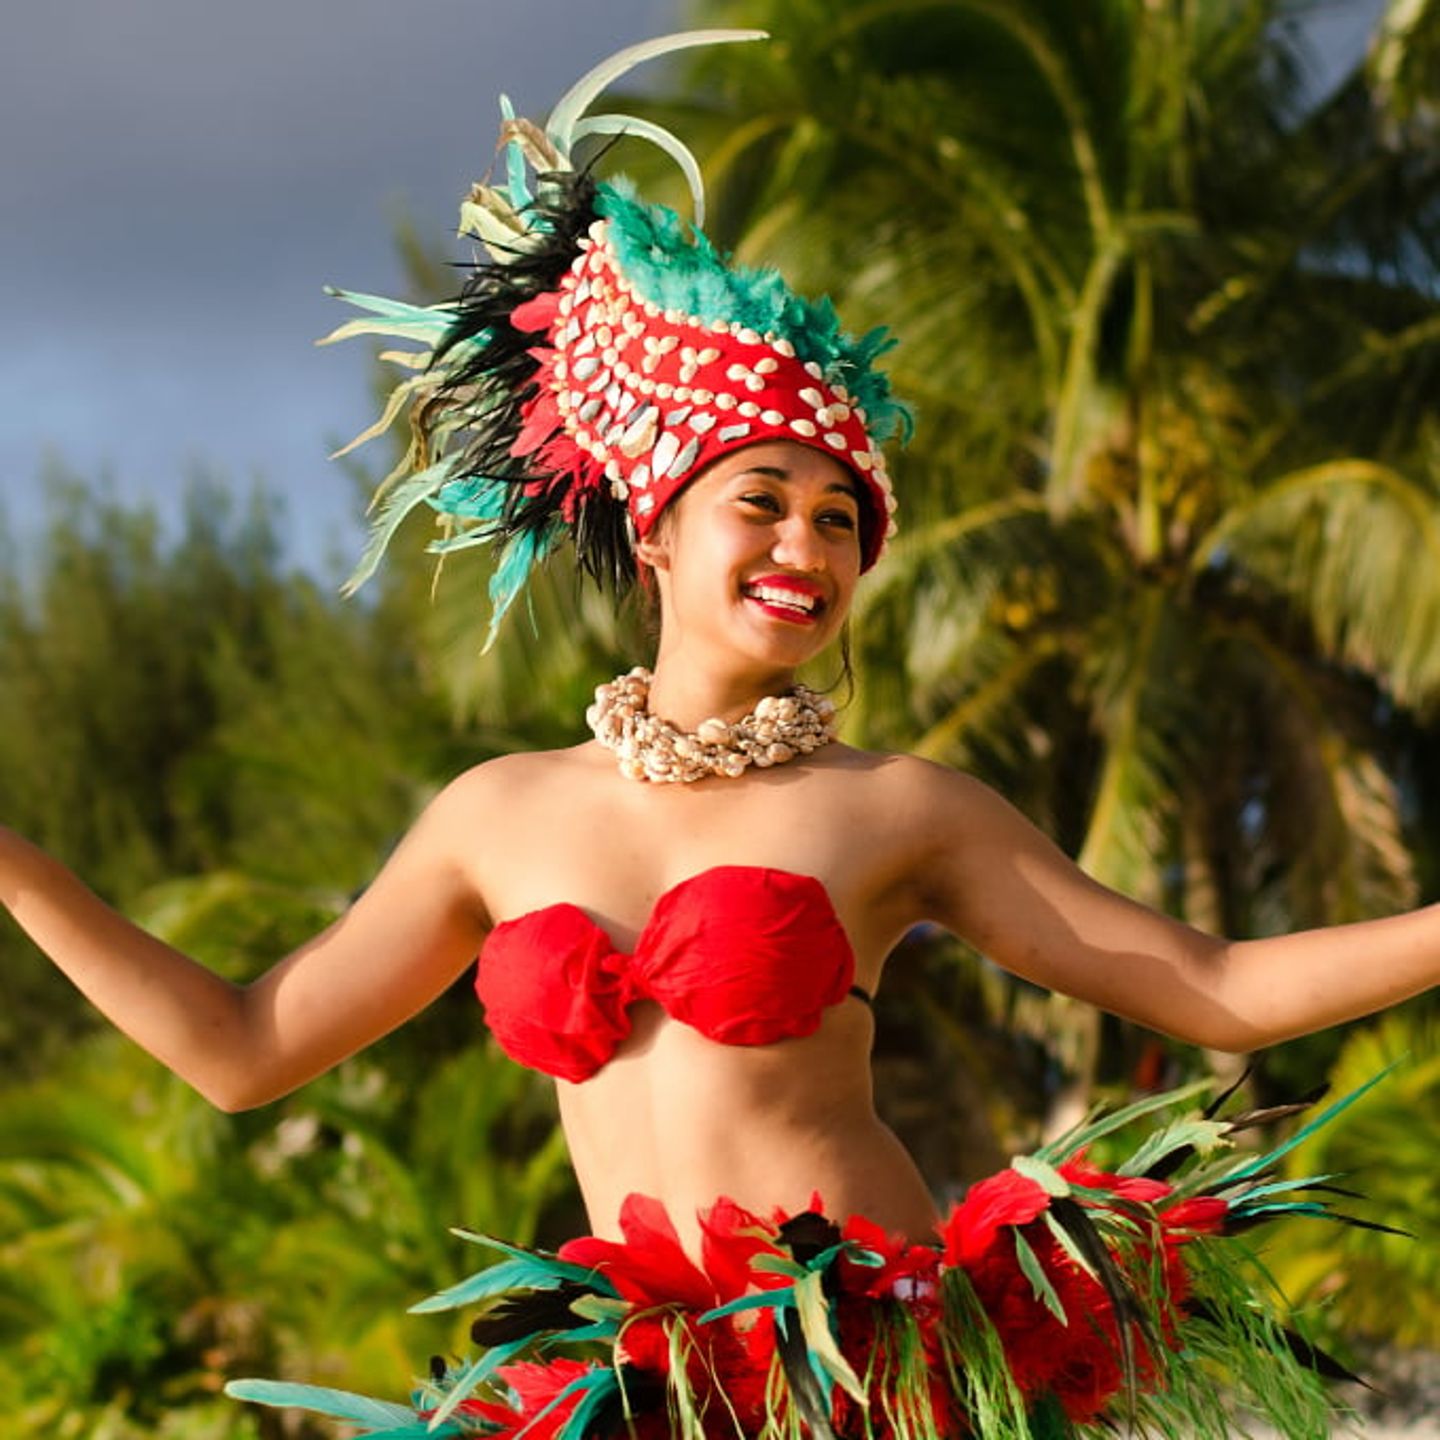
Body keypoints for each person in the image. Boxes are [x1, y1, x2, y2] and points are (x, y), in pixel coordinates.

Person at [1, 29, 1434, 1440]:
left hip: (872, 1384)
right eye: (763, 502)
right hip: (640, 1395)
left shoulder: (898, 810)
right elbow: (243, 1050)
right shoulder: (498, 815)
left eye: (840, 521)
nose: (807, 547)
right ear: (658, 529)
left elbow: (1216, 989)